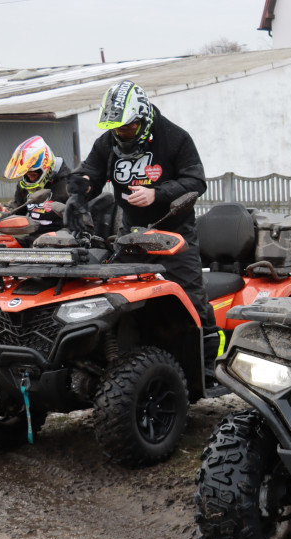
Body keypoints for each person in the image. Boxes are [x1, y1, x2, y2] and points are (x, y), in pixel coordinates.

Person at [67, 80, 221, 364]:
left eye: (128, 128)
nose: (122, 134)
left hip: (175, 234)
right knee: (113, 297)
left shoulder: (175, 137)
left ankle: (207, 361)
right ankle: (119, 359)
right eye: (116, 129)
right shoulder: (108, 143)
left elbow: (196, 181)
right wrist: (79, 191)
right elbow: (90, 172)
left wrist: (156, 193)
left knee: (190, 296)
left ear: (144, 119)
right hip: (130, 235)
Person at [0, 135, 71, 229]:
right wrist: (6, 211)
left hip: (61, 240)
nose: (30, 179)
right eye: (26, 175)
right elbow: (18, 209)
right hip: (32, 238)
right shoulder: (25, 184)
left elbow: (81, 220)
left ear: (45, 169)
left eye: (33, 175)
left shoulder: (69, 185)